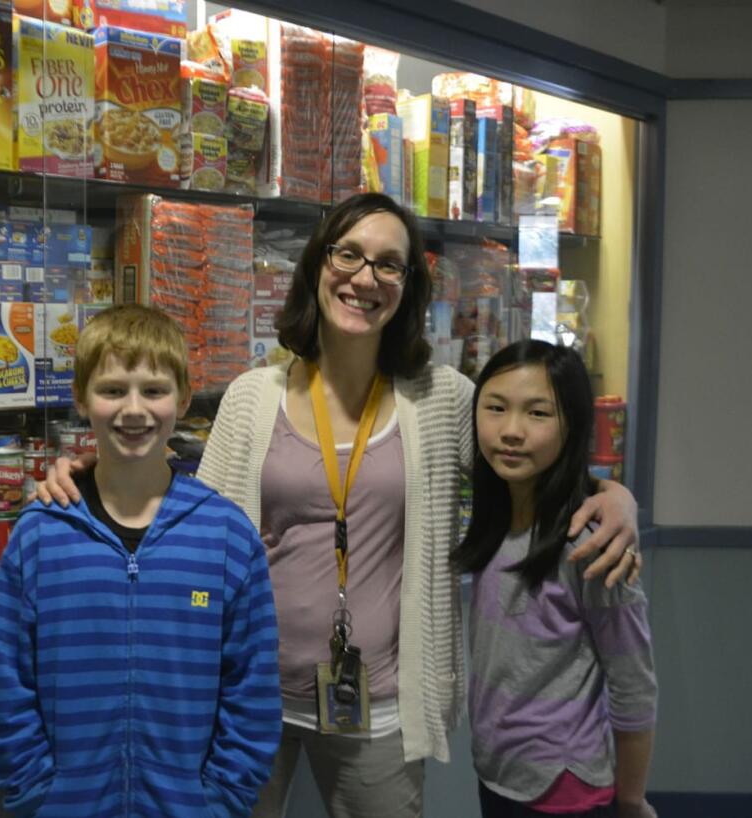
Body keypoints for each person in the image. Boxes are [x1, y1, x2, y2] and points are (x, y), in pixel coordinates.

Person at [37, 193, 641, 818]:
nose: (364, 278)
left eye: (388, 264)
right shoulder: (252, 396)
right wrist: (91, 475)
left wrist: (611, 496)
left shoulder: (441, 399)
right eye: (348, 254)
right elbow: (189, 512)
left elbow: (527, 467)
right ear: (317, 266)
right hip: (247, 697)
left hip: (378, 707)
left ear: (408, 285)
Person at [0, 304, 281, 818]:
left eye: (154, 391)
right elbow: (5, 685)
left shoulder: (226, 536)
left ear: (183, 399)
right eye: (112, 389)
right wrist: (37, 796)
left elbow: (251, 691)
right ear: (81, 399)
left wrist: (220, 801)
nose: (134, 410)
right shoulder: (41, 534)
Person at [452, 340, 657, 818]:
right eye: (496, 408)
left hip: (566, 789)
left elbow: (635, 684)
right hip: (498, 772)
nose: (511, 431)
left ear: (573, 426)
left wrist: (631, 798)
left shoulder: (592, 543)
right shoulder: (497, 514)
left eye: (538, 414)